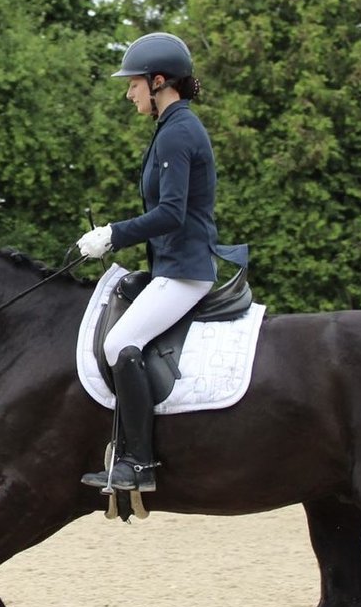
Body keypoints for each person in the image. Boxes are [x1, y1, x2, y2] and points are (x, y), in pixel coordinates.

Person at [77, 32, 247, 494]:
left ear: (157, 82)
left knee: (119, 344)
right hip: (171, 266)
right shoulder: (171, 129)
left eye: (132, 84)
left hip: (185, 271)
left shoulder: (179, 132)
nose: (128, 93)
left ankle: (139, 464)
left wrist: (113, 234)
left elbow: (171, 214)